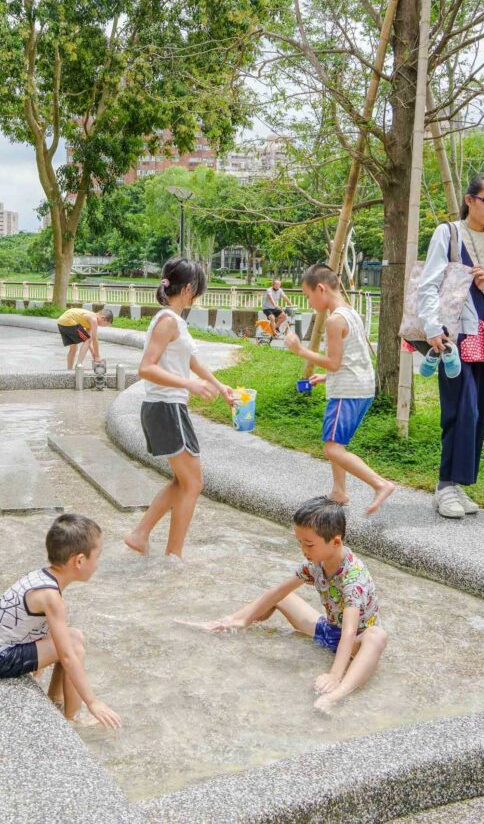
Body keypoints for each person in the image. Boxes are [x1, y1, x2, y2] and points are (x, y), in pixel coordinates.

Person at [183, 497, 387, 713]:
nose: (303, 550)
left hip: (355, 642)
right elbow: (278, 591)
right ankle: (227, 623)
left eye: (308, 544)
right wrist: (243, 619)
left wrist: (334, 675)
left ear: (335, 542)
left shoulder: (354, 578)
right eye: (299, 542)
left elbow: (349, 631)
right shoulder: (316, 564)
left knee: (377, 636)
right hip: (328, 630)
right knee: (282, 597)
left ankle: (336, 695)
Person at [417, 172, 484, 519]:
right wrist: (433, 328)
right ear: (470, 199)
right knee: (460, 409)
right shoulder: (448, 233)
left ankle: (459, 484)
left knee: (478, 413)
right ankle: (445, 485)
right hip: (453, 336)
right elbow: (428, 284)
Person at [124, 258, 235, 559]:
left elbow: (192, 361)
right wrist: (190, 386)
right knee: (193, 482)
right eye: (198, 290)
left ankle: (141, 534)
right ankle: (173, 554)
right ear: (188, 289)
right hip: (166, 407)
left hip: (168, 407)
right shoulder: (167, 321)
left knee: (183, 481)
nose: (198, 296)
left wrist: (219, 386)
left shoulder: (173, 321)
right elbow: (146, 368)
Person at [0, 513, 121, 729]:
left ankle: (56, 701)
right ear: (80, 561)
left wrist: (39, 655)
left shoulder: (43, 577)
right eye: (97, 556)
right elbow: (67, 656)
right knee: (74, 649)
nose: (98, 564)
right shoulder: (51, 596)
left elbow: (34, 624)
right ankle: (73, 719)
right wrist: (94, 702)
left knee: (75, 636)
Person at [285, 264, 394, 515]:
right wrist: (325, 377)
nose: (309, 301)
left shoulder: (335, 320)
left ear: (320, 289)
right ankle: (339, 491)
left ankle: (380, 484)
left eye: (308, 295)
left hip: (348, 392)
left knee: (332, 448)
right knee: (337, 442)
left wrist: (300, 350)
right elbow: (350, 358)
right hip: (359, 387)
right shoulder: (350, 312)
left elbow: (334, 362)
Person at [55, 306, 114, 370]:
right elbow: (94, 339)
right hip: (69, 320)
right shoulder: (93, 319)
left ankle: (69, 370)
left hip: (61, 322)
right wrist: (97, 356)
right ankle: (79, 365)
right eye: (104, 325)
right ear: (103, 318)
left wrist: (93, 354)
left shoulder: (90, 318)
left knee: (73, 348)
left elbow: (88, 340)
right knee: (87, 340)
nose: (102, 326)